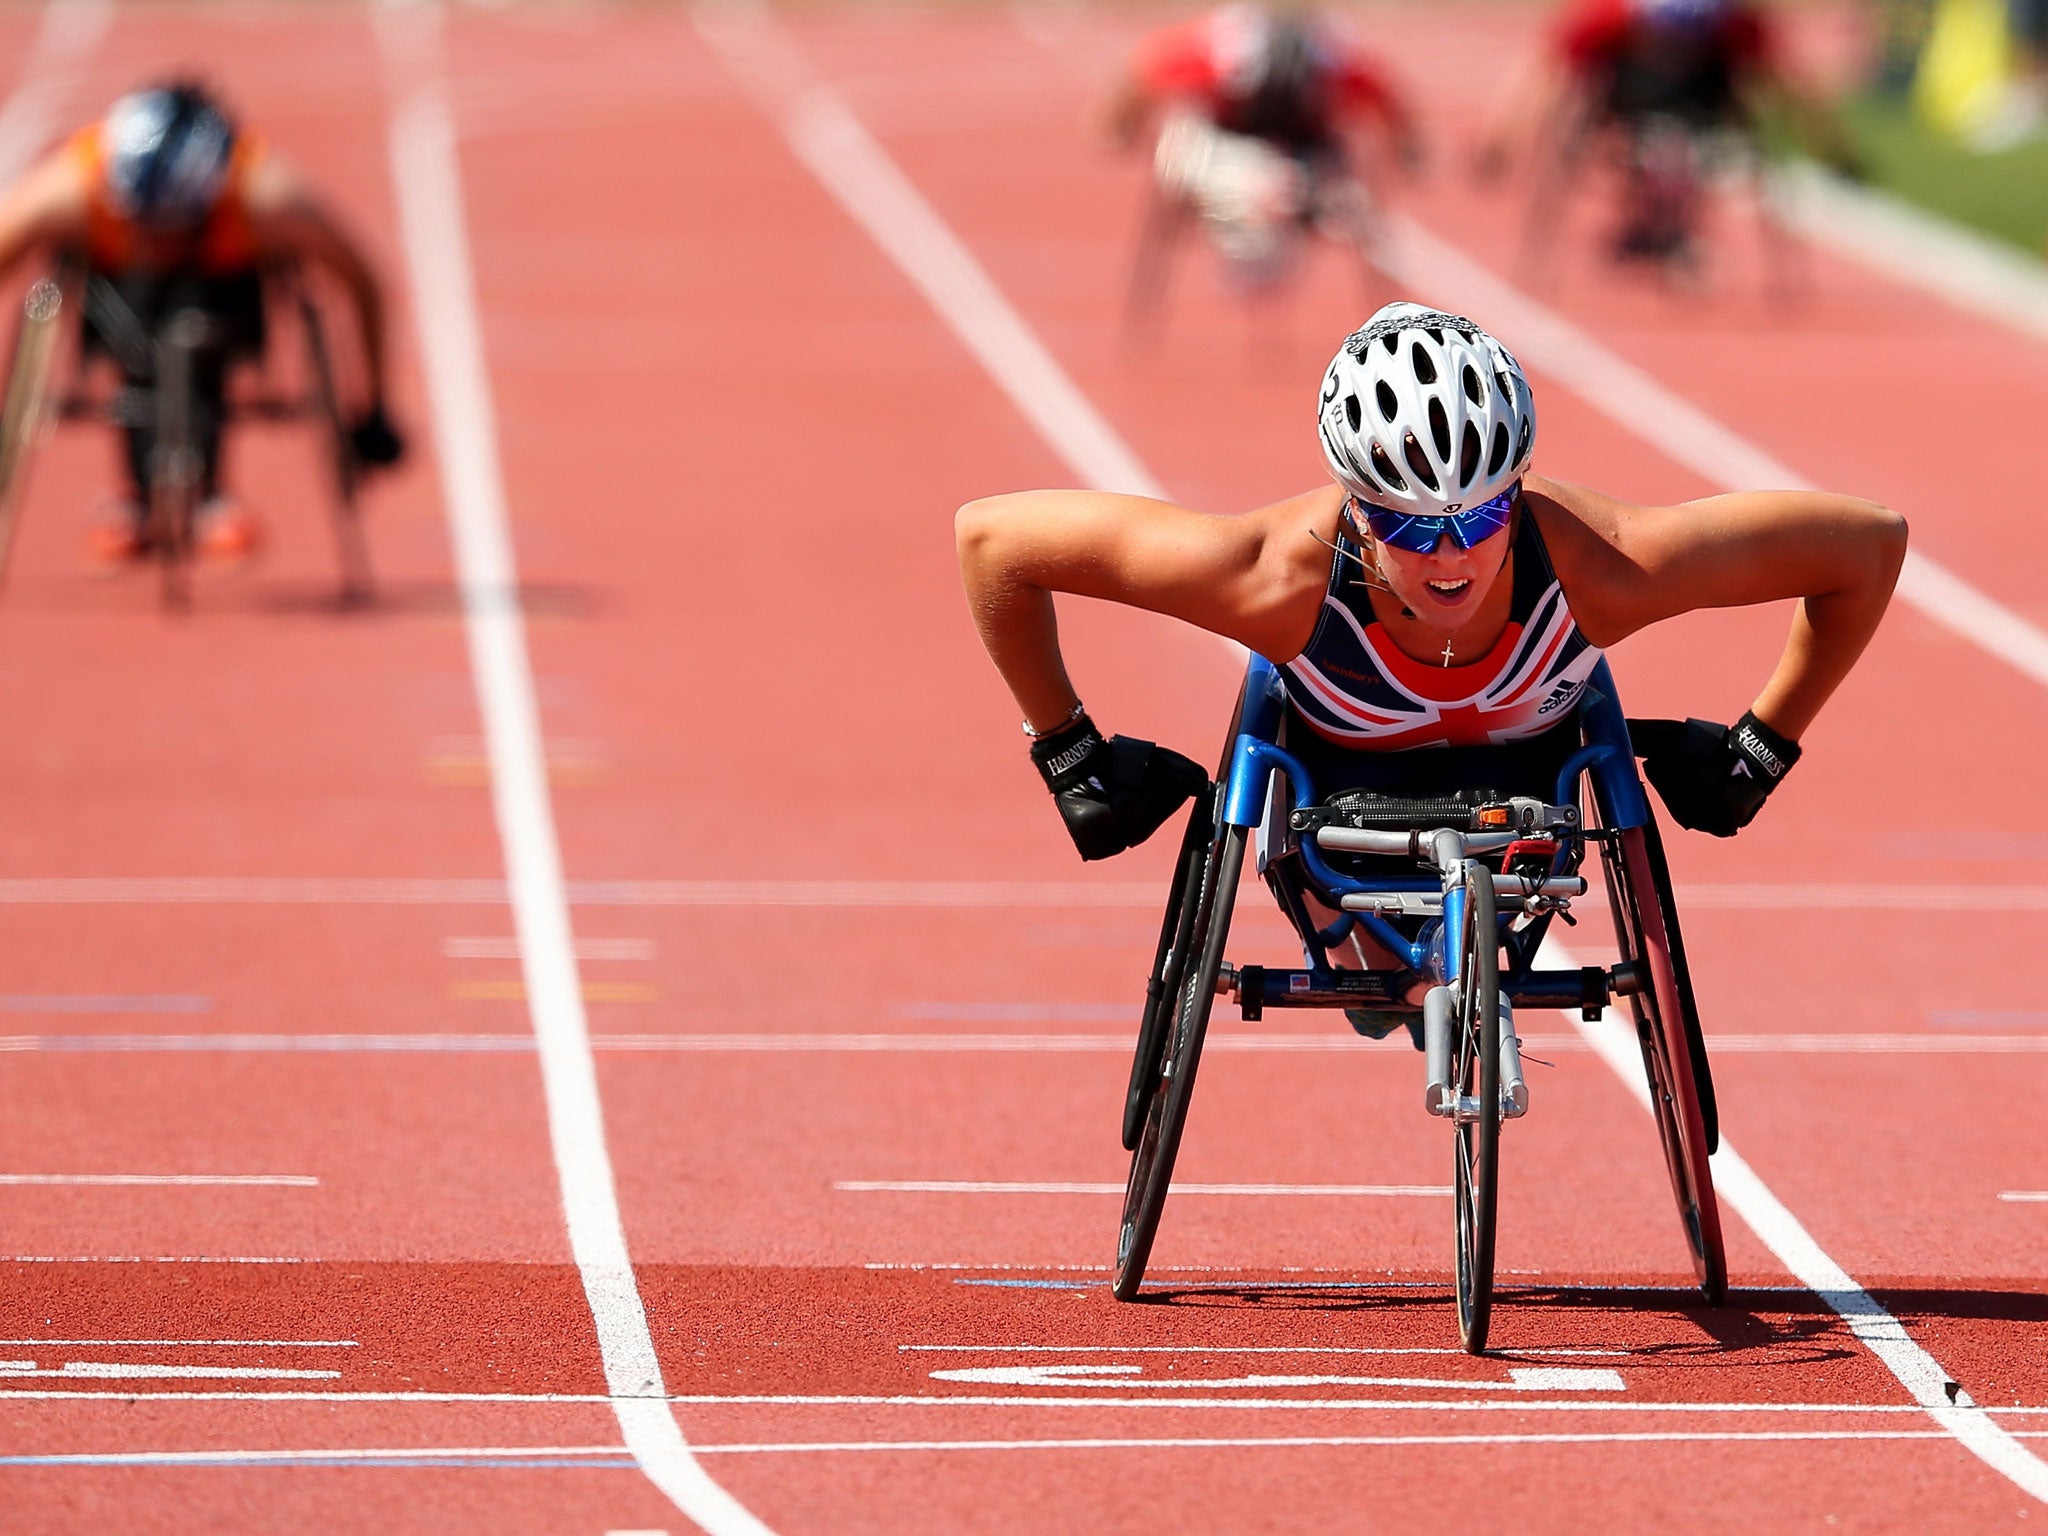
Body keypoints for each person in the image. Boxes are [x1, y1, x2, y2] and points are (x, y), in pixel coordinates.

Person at [956, 302, 1905, 1023]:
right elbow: (993, 542)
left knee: (1425, 985)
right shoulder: (1269, 579)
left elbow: (1869, 546)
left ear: (1519, 490)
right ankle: (1383, 961)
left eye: (1484, 515)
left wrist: (1763, 746)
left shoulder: (1605, 569)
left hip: (1531, 785)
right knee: (1381, 995)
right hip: (1339, 792)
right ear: (1355, 506)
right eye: (1407, 523)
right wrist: (1066, 751)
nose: (1449, 554)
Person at [0, 82, 404, 563]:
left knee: (195, 320)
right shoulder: (67, 192)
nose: (158, 244)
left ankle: (208, 492)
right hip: (113, 300)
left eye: (172, 230)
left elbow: (364, 282)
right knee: (137, 310)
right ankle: (139, 498)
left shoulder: (269, 197)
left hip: (225, 304)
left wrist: (375, 406)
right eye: (144, 227)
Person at [1478, 0, 1857, 268]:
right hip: (1625, 103)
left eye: (1689, 42)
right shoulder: (1607, 16)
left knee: (1688, 147)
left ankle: (1671, 229)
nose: (1676, 53)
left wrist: (1832, 147)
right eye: (1664, 40)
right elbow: (1546, 75)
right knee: (1636, 146)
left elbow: (1788, 85)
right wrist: (1504, 139)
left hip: (1703, 106)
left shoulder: (1737, 25)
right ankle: (1645, 222)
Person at [1102, 2, 1421, 290]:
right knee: (1187, 141)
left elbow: (1387, 98)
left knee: (1286, 179)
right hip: (1232, 154)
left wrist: (1120, 127)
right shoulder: (1226, 45)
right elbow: (1147, 69)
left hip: (1300, 164)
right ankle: (1260, 214)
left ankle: (1268, 214)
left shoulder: (1332, 53)